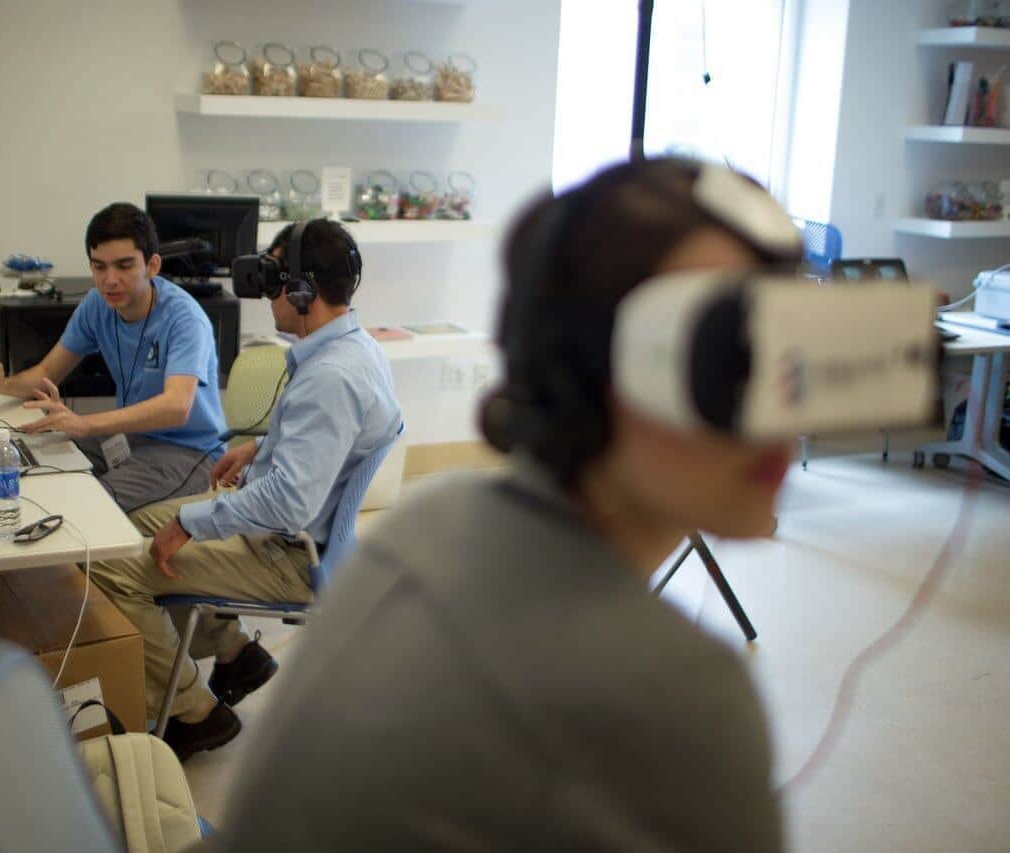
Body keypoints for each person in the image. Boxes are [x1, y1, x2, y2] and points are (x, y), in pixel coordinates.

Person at [212, 160, 800, 851]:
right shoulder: (690, 695)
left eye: (792, 335)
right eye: (727, 351)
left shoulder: (430, 520)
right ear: (583, 367)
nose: (782, 393)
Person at [89, 218, 402, 760]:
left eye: (273, 277)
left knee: (107, 567)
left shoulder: (331, 376)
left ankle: (194, 712)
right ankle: (232, 651)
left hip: (286, 550)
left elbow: (288, 501)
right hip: (290, 530)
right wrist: (262, 446)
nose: (266, 294)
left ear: (300, 289)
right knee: (123, 528)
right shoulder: (352, 347)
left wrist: (190, 524)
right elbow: (331, 445)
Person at [0, 202, 227, 511]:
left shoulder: (184, 319)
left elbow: (176, 407)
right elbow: (47, 372)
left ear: (152, 266)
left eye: (124, 265)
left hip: (189, 453)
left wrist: (85, 424)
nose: (110, 279)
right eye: (99, 266)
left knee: (83, 505)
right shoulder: (97, 304)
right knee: (29, 459)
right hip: (128, 440)